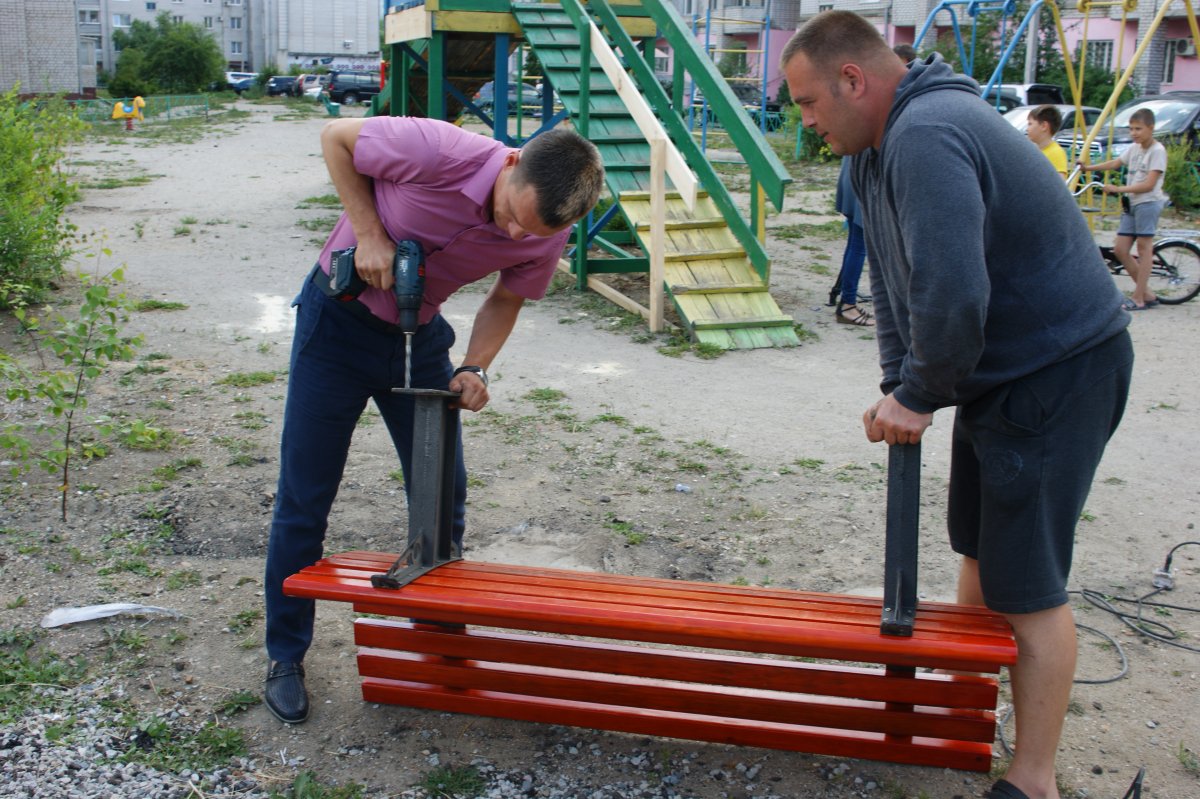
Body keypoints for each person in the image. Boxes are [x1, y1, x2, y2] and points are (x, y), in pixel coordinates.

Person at [781, 12, 1133, 799]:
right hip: (1001, 372)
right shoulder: (873, 154)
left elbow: (955, 289)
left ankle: (1032, 780)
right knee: (977, 545)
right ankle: (962, 712)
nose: (804, 123)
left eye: (807, 104)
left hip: (1059, 368)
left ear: (852, 81)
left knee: (1027, 581)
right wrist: (899, 386)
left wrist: (924, 391)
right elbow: (899, 290)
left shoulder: (929, 131)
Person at [262, 116, 604, 725]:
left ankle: (437, 642)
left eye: (528, 232)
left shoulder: (547, 228)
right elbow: (336, 138)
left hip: (419, 340)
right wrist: (368, 233)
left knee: (442, 495)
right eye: (510, 214)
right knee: (305, 497)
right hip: (335, 328)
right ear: (511, 163)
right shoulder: (438, 151)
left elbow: (506, 297)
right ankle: (286, 656)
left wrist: (475, 367)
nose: (511, 231)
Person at [1079, 108, 1169, 310]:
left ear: (1151, 128)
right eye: (1131, 129)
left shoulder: (1157, 151)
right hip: (1132, 203)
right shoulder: (1135, 148)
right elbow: (1116, 163)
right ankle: (1147, 293)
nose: (1134, 133)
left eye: (1138, 129)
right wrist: (1088, 168)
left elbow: (1149, 184)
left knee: (1144, 249)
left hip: (1148, 202)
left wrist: (1118, 189)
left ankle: (1138, 298)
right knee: (1120, 249)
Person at [832, 157, 874, 326]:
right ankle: (847, 305)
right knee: (859, 246)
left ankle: (846, 300)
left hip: (851, 177)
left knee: (854, 243)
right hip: (863, 181)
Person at [1026, 105, 1068, 178]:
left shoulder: (1056, 153)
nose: (1027, 129)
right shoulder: (1034, 150)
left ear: (1044, 126)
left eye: (1030, 124)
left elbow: (1059, 184)